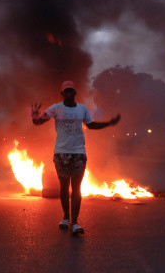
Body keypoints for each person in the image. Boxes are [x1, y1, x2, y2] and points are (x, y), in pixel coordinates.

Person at [31, 80, 120, 234]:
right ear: (62, 93)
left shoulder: (82, 109)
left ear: (75, 93)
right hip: (61, 154)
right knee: (64, 188)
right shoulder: (56, 108)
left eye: (71, 90)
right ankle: (65, 217)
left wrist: (108, 123)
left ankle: (75, 223)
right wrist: (34, 117)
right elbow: (39, 122)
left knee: (77, 188)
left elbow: (91, 125)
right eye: (66, 91)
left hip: (78, 153)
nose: (69, 93)